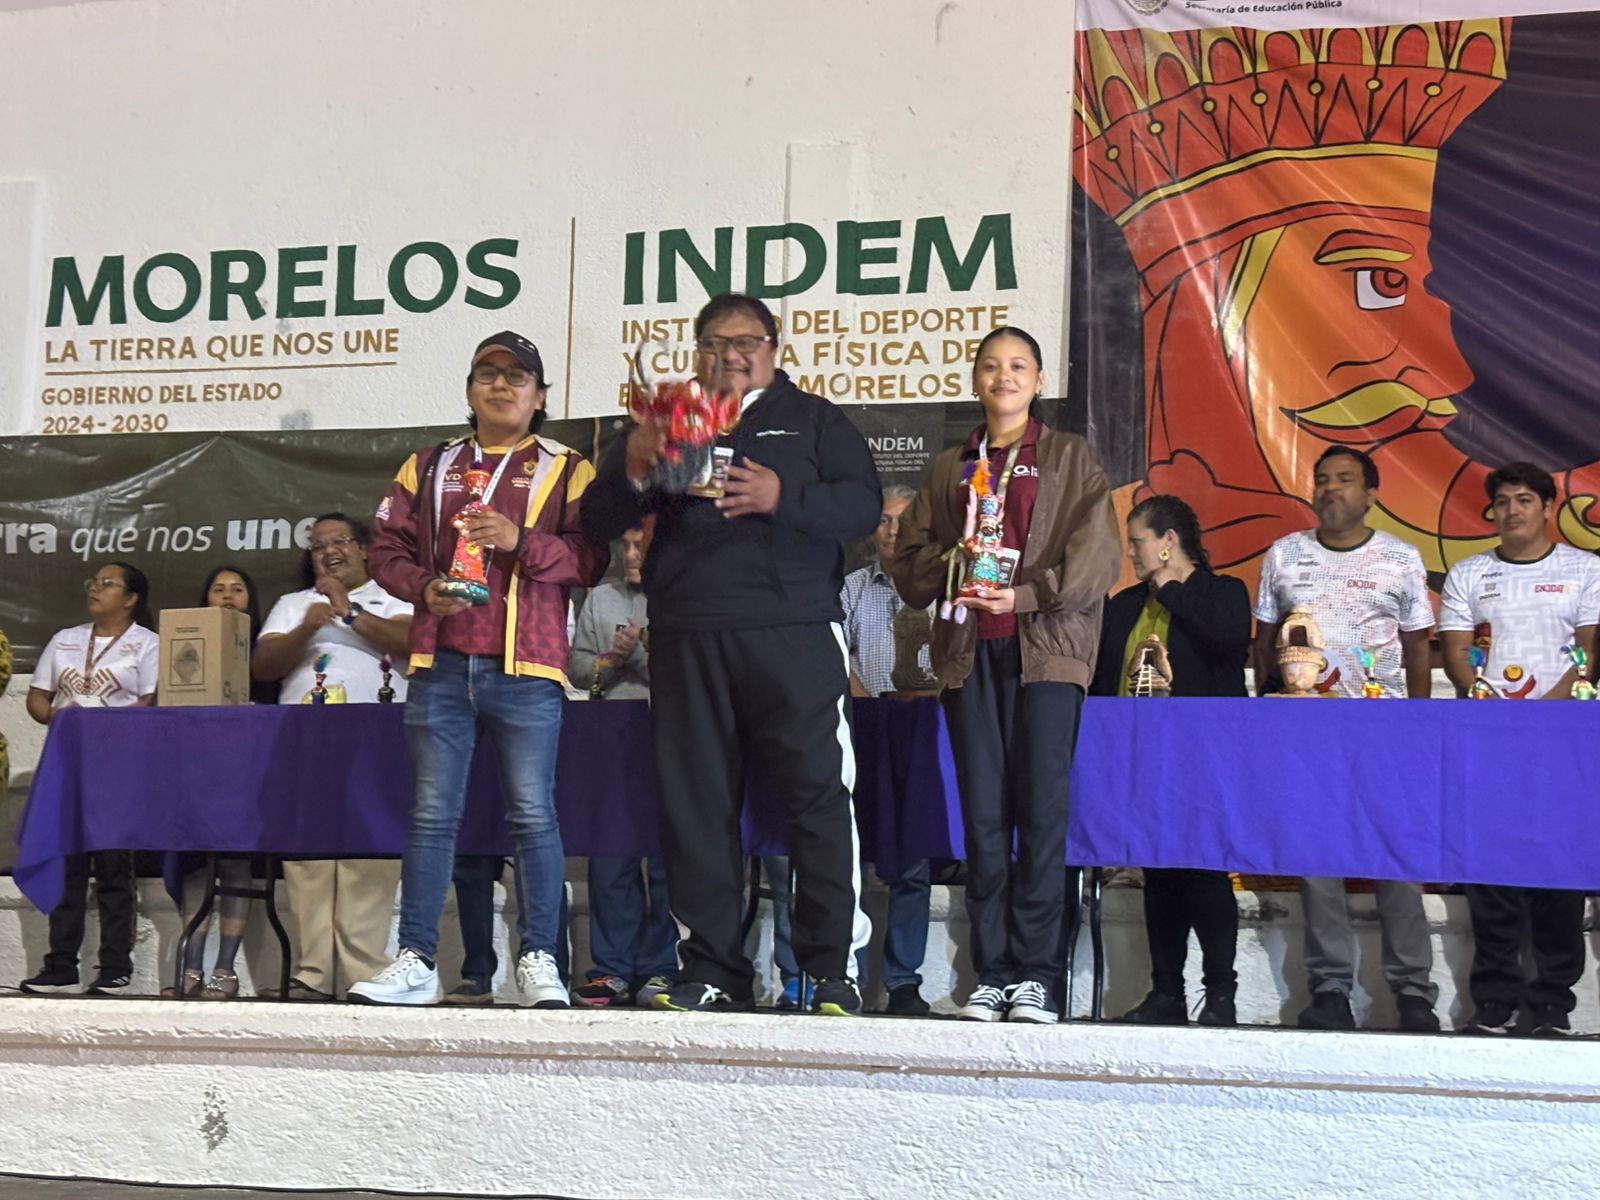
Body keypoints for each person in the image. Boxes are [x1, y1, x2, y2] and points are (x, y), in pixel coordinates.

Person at [581, 292, 880, 1016]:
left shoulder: (813, 419)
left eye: (747, 342)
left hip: (793, 630)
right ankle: (713, 967)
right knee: (697, 805)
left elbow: (862, 508)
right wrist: (635, 462)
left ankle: (830, 969)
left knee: (818, 796)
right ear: (698, 354)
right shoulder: (667, 423)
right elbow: (594, 519)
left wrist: (784, 494)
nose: (731, 355)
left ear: (774, 349)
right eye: (715, 344)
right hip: (688, 633)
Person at [350, 331, 607, 1007]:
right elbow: (384, 550)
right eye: (486, 373)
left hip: (529, 666)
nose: (500, 385)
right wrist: (423, 587)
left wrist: (521, 541)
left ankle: (541, 959)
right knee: (432, 815)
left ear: (540, 396)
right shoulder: (427, 465)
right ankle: (416, 960)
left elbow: (591, 559)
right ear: (469, 389)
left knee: (533, 815)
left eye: (516, 376)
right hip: (439, 660)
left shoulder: (567, 468)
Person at [890, 326, 1121, 1024]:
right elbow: (909, 567)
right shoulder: (951, 466)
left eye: (1018, 365)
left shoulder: (1069, 457)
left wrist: (1020, 596)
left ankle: (1039, 975)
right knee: (983, 818)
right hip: (968, 654)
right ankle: (993, 972)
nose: (1004, 376)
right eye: (991, 366)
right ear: (976, 380)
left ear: (1039, 380)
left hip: (1046, 652)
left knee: (1041, 815)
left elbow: (1096, 561)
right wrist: (954, 560)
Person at [1252, 446, 1440, 1032]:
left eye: (1345, 480)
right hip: (1307, 732)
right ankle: (1330, 989)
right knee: (1318, 859)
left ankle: (1413, 993)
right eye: (1322, 480)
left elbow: (1417, 647)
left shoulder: (1401, 558)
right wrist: (1272, 711)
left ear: (1372, 494)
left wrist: (1416, 723)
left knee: (1395, 856)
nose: (1330, 489)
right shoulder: (1285, 555)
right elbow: (1264, 641)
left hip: (1383, 730)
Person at [1438, 462, 1600, 1037]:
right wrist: (1489, 703)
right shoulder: (1469, 574)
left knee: (1558, 867)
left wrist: (1541, 716)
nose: (1512, 511)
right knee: (1492, 871)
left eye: (1525, 499)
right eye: (1503, 501)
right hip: (1490, 739)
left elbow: (1590, 655)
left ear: (1548, 507)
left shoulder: (1586, 570)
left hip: (1562, 740)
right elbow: (1457, 654)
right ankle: (1495, 1002)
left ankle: (1553, 1003)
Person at [1091, 495, 1249, 1027]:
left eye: (1138, 541)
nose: (1131, 552)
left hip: (1204, 760)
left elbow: (1227, 640)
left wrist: (1173, 590)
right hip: (1141, 761)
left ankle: (1220, 993)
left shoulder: (1223, 592)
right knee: (1158, 873)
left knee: (1204, 870)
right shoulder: (1124, 605)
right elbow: (1102, 679)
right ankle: (1167, 992)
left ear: (1169, 542)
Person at [254, 514, 415, 1001]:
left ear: (365, 549)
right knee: (310, 857)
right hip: (306, 741)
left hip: (377, 741)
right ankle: (313, 973)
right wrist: (307, 626)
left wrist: (348, 611)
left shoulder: (395, 598)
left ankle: (366, 971)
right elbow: (263, 666)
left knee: (370, 852)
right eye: (318, 544)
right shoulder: (293, 605)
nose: (328, 551)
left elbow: (412, 644)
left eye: (339, 540)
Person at [20, 562, 159, 995]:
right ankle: (60, 965)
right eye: (94, 583)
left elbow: (152, 700)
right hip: (67, 763)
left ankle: (115, 967)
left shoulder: (147, 644)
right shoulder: (65, 638)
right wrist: (58, 718)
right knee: (66, 862)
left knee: (114, 866)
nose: (96, 589)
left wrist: (105, 727)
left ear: (131, 598)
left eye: (107, 584)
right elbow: (37, 697)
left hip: (118, 766)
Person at [566, 526, 676, 1008]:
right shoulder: (601, 598)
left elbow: (687, 671)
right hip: (611, 734)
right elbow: (577, 670)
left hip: (671, 732)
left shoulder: (682, 595)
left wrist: (642, 655)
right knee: (612, 854)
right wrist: (613, 660)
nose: (630, 555)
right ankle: (611, 969)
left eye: (640, 547)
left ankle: (663, 967)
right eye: (625, 546)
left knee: (669, 858)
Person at [840, 484, 935, 1017]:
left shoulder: (942, 588)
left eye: (903, 520)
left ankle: (903, 980)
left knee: (913, 858)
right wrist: (867, 707)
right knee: (848, 855)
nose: (892, 530)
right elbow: (835, 655)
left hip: (922, 732)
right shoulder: (853, 588)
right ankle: (844, 972)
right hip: (862, 730)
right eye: (883, 520)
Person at [172, 566, 277, 1000]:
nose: (228, 596)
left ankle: (224, 970)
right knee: (196, 865)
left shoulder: (268, 654)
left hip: (248, 774)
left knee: (236, 865)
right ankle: (190, 968)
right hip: (198, 770)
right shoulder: (184, 650)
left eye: (238, 589)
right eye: (218, 589)